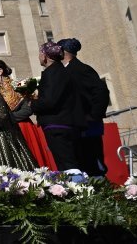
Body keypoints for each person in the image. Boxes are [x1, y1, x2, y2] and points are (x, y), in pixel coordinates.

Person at [0, 60, 56, 170]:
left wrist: (10, 118)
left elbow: (28, 108)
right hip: (6, 129)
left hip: (22, 127)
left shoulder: (18, 85)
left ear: (0, 71)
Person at [59, 38, 110, 177]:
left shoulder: (81, 69)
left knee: (93, 163)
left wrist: (93, 115)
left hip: (88, 126)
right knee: (82, 163)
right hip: (76, 126)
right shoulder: (66, 70)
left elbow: (101, 92)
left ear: (63, 52)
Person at [31, 41, 83, 173]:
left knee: (68, 165)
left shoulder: (53, 73)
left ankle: (79, 190)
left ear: (45, 56)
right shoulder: (59, 71)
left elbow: (49, 101)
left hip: (58, 125)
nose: (38, 57)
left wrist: (32, 104)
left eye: (39, 53)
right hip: (63, 123)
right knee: (68, 163)